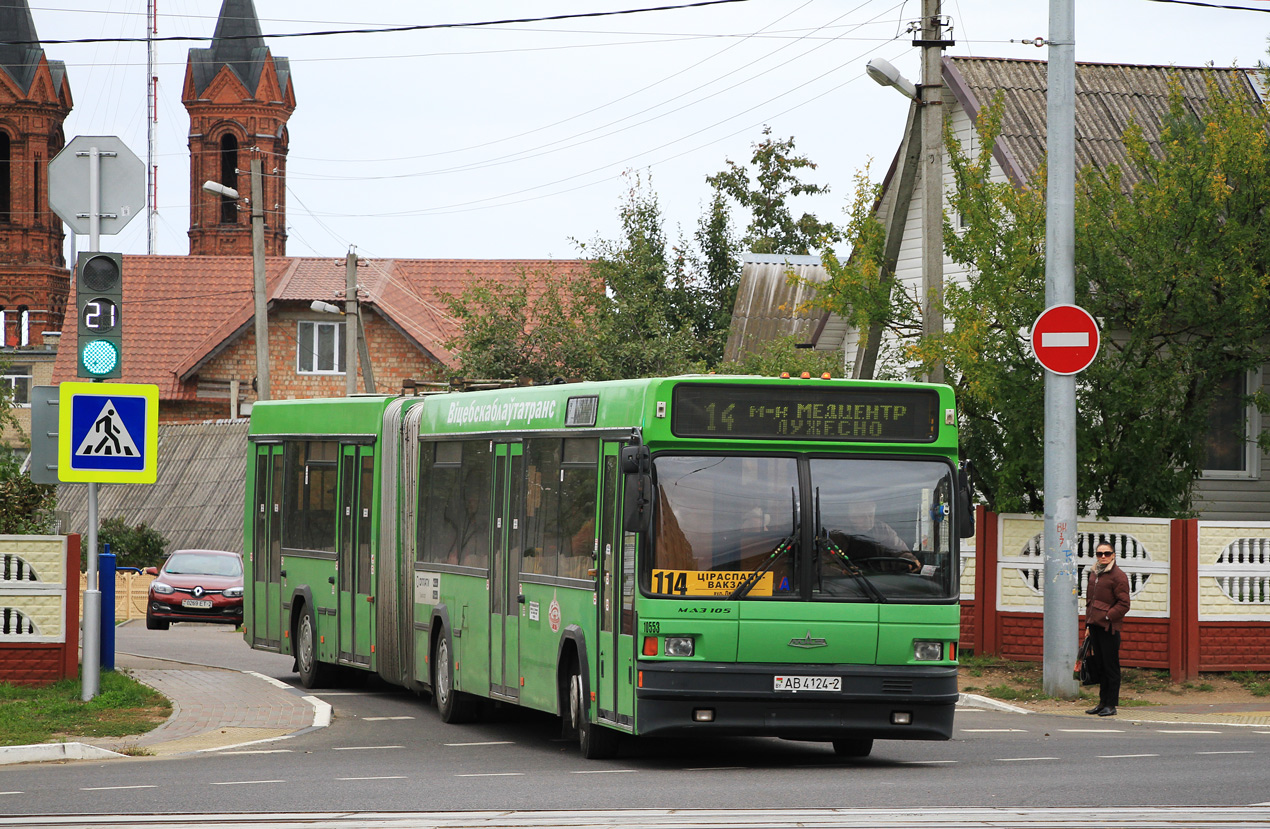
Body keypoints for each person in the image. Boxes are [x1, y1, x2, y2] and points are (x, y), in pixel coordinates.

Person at [1084, 541, 1132, 716]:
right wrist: (1088, 624)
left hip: (1109, 628)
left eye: (1106, 553)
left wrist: (1107, 616)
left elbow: (1124, 604)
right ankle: (1102, 703)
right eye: (1099, 554)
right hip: (1095, 626)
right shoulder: (1094, 573)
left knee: (1111, 667)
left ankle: (1111, 705)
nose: (1103, 556)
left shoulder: (1118, 576)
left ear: (1113, 555)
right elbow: (1090, 601)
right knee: (1100, 666)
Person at [826, 498, 921, 573]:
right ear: (851, 516)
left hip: (878, 582)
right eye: (862, 516)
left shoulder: (882, 529)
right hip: (848, 586)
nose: (868, 520)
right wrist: (842, 572)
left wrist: (910, 559)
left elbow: (899, 550)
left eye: (870, 515)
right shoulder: (838, 534)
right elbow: (824, 563)